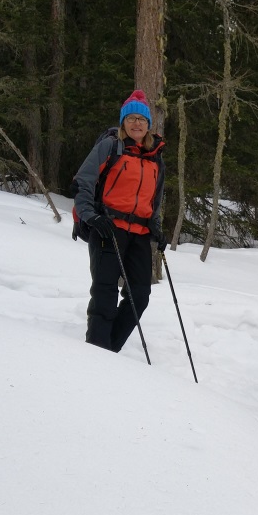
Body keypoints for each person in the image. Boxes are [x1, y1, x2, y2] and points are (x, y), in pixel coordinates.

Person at [73, 90, 166, 352]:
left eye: (142, 119)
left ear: (148, 124)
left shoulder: (155, 157)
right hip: (108, 227)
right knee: (105, 293)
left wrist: (156, 227)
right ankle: (97, 350)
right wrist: (90, 216)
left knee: (140, 296)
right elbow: (83, 181)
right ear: (124, 122)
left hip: (139, 233)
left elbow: (155, 198)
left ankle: (109, 351)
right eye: (131, 118)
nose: (137, 123)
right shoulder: (110, 146)